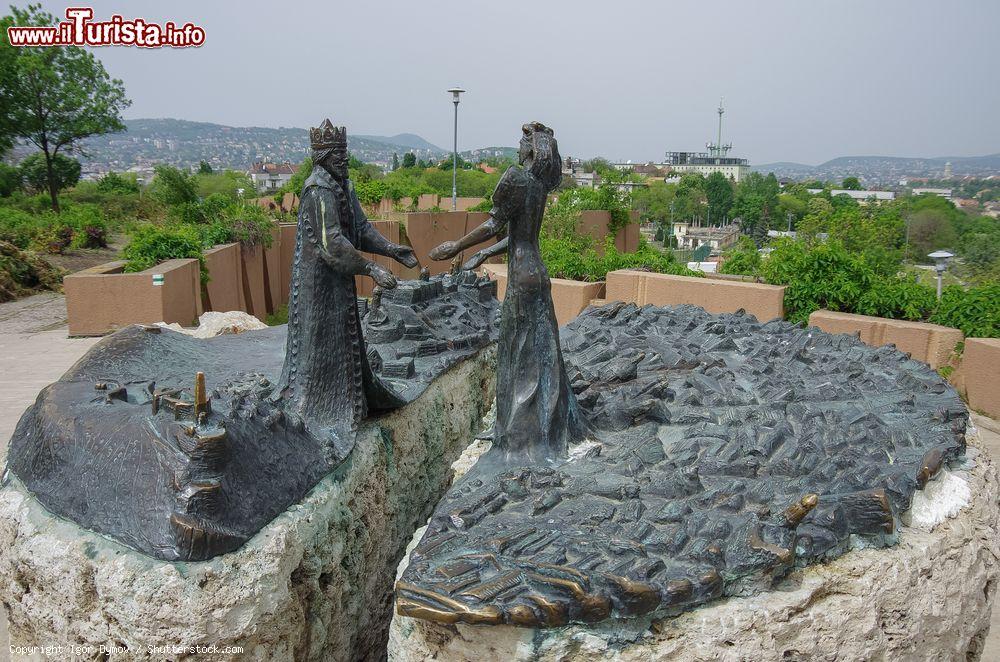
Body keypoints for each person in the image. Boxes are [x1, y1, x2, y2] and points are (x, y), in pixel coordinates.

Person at [429, 122, 587, 462]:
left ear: (530, 150)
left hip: (520, 278)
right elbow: (521, 233)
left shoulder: (515, 179)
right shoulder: (541, 185)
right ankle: (540, 425)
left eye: (521, 144)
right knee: (540, 351)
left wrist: (457, 245)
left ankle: (518, 434)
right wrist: (484, 254)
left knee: (519, 354)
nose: (517, 148)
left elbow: (493, 225)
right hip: (537, 272)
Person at [276, 119, 418, 447]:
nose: (344, 160)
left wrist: (390, 249)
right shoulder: (318, 189)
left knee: (344, 339)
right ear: (323, 157)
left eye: (345, 154)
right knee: (322, 342)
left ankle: (351, 402)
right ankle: (319, 408)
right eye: (337, 155)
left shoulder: (344, 185)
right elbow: (333, 245)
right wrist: (372, 269)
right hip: (319, 284)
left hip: (340, 281)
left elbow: (361, 228)